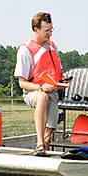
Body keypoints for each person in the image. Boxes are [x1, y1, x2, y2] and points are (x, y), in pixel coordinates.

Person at [14, 12, 67, 154]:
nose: (50, 34)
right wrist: (40, 87)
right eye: (46, 31)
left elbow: (58, 71)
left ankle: (44, 150)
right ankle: (39, 144)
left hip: (53, 92)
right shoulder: (25, 50)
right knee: (42, 97)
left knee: (48, 136)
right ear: (36, 29)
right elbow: (22, 83)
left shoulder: (52, 46)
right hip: (33, 92)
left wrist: (64, 78)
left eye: (51, 30)